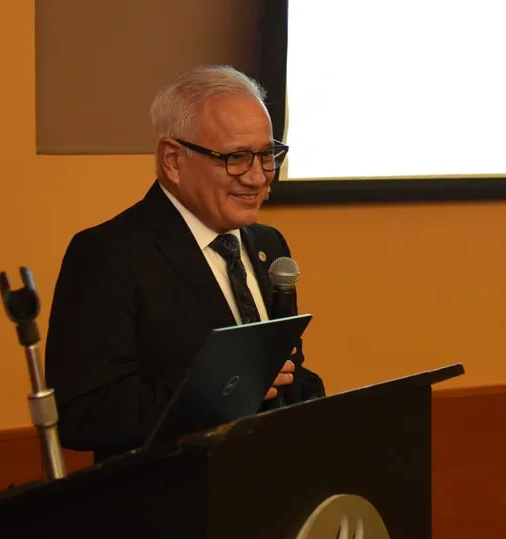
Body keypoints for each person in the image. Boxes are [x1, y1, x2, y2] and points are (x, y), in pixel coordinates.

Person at [45, 65, 325, 463]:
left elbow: (283, 372)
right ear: (173, 159)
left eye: (267, 155)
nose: (258, 178)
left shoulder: (268, 243)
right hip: (166, 494)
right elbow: (82, 414)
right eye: (236, 158)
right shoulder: (107, 254)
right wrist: (216, 390)